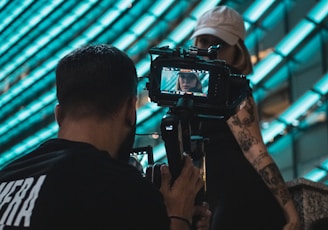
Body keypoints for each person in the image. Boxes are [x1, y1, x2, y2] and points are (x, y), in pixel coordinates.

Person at [0, 44, 211, 230]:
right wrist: (179, 215)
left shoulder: (6, 178)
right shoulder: (124, 191)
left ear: (58, 115)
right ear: (130, 109)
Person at [190, 6, 301, 230]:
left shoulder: (232, 88)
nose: (210, 49)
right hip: (211, 200)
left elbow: (255, 149)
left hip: (237, 198)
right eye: (203, 41)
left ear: (237, 50)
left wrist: (292, 214)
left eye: (218, 43)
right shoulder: (188, 88)